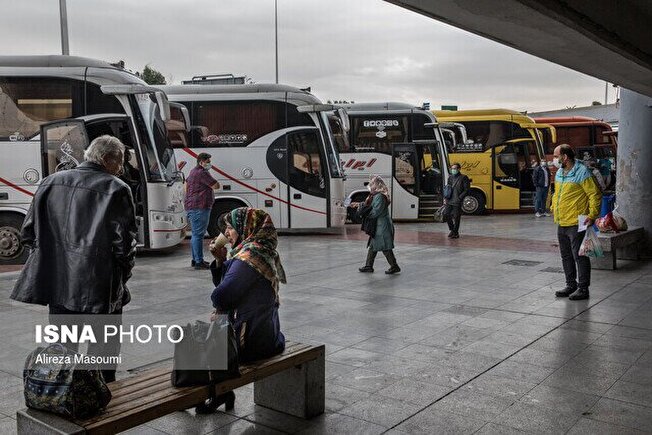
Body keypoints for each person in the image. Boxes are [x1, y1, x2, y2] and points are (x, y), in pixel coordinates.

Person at [11, 135, 137, 382]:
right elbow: (124, 246)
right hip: (98, 284)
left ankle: (61, 390)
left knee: (62, 344)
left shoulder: (50, 182)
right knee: (102, 346)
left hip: (57, 282)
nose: (122, 168)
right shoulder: (116, 188)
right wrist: (123, 275)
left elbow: (28, 233)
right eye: (120, 161)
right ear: (105, 158)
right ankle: (100, 391)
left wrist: (52, 260)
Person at [198, 208, 286, 413]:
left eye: (230, 228)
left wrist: (220, 308)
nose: (226, 233)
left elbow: (220, 296)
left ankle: (197, 394)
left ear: (246, 228)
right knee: (213, 330)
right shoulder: (263, 249)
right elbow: (227, 292)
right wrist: (220, 260)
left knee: (196, 347)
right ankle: (221, 393)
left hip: (251, 340)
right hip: (267, 333)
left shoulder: (248, 259)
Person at [551, 144, 602, 301]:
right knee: (566, 256)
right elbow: (557, 193)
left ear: (564, 157)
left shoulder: (582, 172)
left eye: (555, 155)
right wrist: (553, 206)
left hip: (577, 221)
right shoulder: (560, 172)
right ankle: (570, 284)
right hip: (562, 220)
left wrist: (592, 215)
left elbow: (594, 194)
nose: (553, 159)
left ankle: (583, 288)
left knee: (579, 256)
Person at [357, 175, 400, 274]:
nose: (370, 187)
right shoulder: (377, 196)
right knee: (373, 245)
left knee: (385, 247)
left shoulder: (379, 197)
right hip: (379, 226)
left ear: (376, 186)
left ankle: (394, 266)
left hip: (382, 226)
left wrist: (364, 212)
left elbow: (375, 212)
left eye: (372, 185)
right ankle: (369, 266)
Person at [184, 152, 220, 270]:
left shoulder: (193, 171)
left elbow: (186, 184)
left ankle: (195, 260)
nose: (210, 164)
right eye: (208, 162)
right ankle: (199, 262)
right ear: (201, 162)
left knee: (195, 235)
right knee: (198, 235)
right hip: (200, 206)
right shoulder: (202, 173)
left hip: (192, 206)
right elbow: (216, 185)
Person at [445, 163, 470, 239]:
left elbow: (466, 189)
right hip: (449, 200)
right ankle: (452, 230)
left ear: (459, 169)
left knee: (456, 217)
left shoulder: (464, 177)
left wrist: (460, 197)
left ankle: (455, 232)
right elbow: (448, 188)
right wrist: (446, 197)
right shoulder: (450, 177)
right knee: (446, 214)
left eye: (455, 168)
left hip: (457, 201)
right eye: (452, 169)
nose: (453, 170)